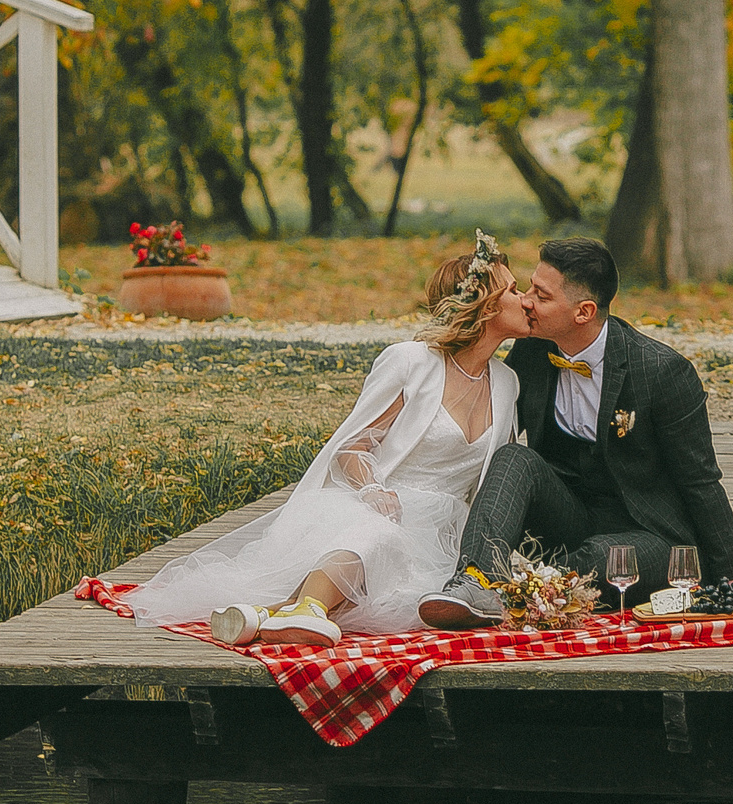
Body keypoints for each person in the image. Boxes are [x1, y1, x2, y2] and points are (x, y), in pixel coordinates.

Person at [122, 232, 528, 647]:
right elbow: (351, 445)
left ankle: (268, 614)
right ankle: (307, 608)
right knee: (380, 537)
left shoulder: (506, 383)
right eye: (514, 289)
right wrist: (373, 489)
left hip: (445, 530)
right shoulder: (411, 361)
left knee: (396, 587)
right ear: (485, 304)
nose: (526, 298)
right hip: (385, 501)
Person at [420, 236, 733, 629]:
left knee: (600, 559)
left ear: (584, 311)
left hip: (647, 533)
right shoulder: (532, 354)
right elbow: (488, 439)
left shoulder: (661, 372)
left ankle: (524, 590)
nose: (525, 300)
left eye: (540, 295)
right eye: (528, 288)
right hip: (568, 516)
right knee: (513, 457)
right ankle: (475, 583)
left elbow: (701, 479)